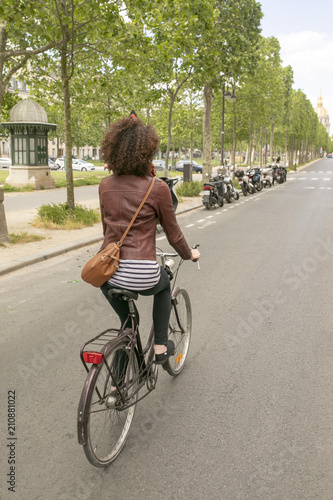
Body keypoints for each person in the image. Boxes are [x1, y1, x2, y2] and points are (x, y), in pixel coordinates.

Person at [99, 112, 200, 364]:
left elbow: (107, 230)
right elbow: (173, 233)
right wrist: (189, 253)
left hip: (107, 272)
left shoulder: (104, 185)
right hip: (141, 270)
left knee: (127, 326)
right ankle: (160, 346)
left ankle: (116, 385)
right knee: (164, 283)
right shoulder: (158, 188)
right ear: (147, 153)